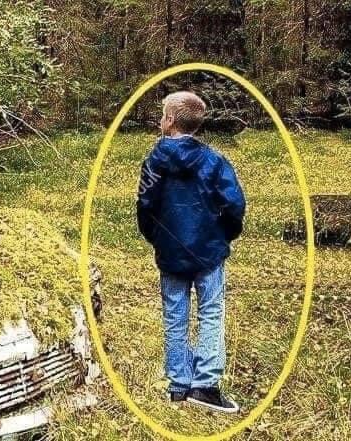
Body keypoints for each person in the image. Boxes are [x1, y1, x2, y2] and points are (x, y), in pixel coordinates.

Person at [136, 91, 246, 413]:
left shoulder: (153, 163)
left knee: (175, 314)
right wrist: (223, 235)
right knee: (211, 311)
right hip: (208, 251)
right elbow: (234, 203)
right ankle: (204, 386)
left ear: (168, 120)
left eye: (162, 114)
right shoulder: (214, 160)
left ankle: (180, 386)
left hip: (173, 253)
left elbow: (145, 206)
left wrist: (157, 239)